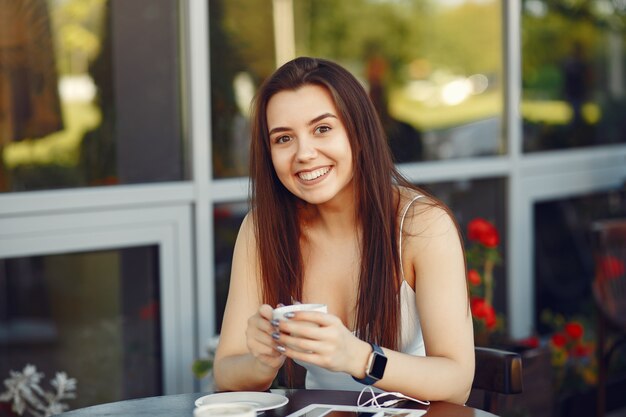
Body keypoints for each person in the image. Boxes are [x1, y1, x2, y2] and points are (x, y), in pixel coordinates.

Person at [213, 57, 474, 405]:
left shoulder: (421, 225)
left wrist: (360, 358)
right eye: (283, 138)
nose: (304, 154)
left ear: (359, 134)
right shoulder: (263, 229)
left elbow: (457, 382)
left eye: (322, 129)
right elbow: (225, 373)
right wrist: (261, 361)